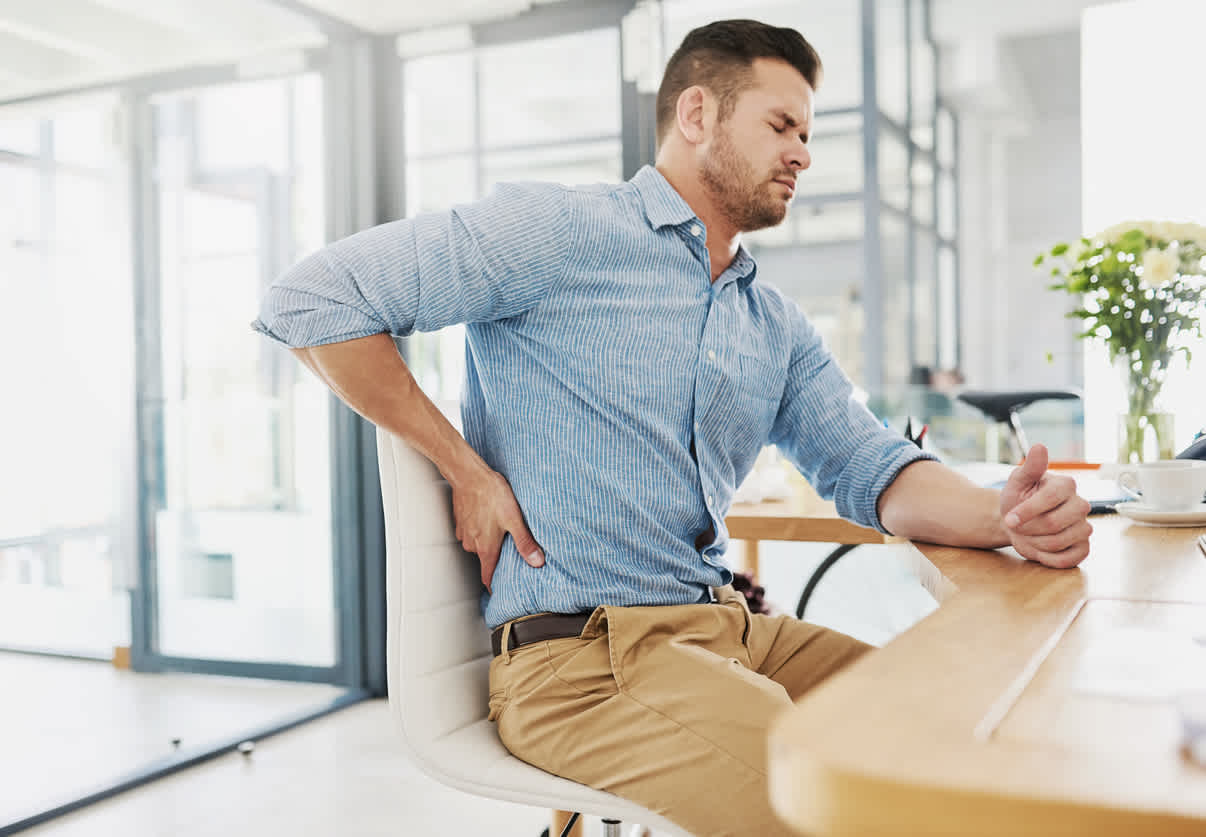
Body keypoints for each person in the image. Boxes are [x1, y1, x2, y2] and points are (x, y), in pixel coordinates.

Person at [252, 19, 1092, 836]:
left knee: (953, 722)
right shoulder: (558, 233)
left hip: (727, 631)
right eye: (780, 125)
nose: (803, 151)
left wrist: (1002, 516)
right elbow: (309, 300)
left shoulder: (774, 324)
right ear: (697, 116)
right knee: (836, 795)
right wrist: (465, 468)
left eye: (807, 132)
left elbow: (868, 464)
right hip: (583, 665)